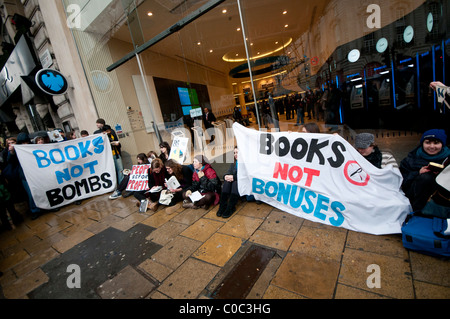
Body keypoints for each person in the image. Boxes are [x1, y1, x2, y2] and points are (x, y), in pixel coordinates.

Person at [400, 129, 450, 212]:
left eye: (436, 143)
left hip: (443, 200)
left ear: (442, 144)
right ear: (422, 143)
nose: (432, 146)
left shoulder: (448, 159)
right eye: (428, 142)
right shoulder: (410, 160)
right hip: (416, 200)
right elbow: (401, 182)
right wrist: (417, 173)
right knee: (425, 178)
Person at [216, 147, 240, 219]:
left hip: (242, 185)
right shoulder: (234, 163)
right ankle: (222, 206)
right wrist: (225, 176)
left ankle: (231, 207)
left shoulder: (246, 163)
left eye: (237, 152)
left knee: (235, 182)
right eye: (234, 153)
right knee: (227, 181)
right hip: (233, 183)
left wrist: (234, 178)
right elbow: (228, 172)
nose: (235, 154)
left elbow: (246, 177)